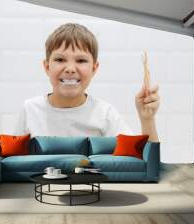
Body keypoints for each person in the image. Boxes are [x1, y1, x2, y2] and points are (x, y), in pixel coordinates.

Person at [14, 23, 160, 142]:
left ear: (94, 68)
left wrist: (147, 119)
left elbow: (143, 163)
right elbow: (13, 164)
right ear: (47, 67)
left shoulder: (105, 114)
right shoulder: (30, 110)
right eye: (60, 59)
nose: (70, 69)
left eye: (81, 60)